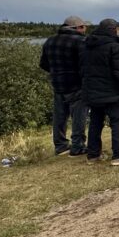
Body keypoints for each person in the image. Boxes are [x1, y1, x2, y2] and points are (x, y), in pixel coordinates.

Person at [81, 18, 119, 165]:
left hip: (93, 92)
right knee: (118, 122)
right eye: (118, 29)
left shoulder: (87, 47)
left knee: (95, 123)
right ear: (114, 30)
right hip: (112, 93)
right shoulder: (116, 48)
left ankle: (93, 154)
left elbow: (82, 70)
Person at [39, 15, 89, 156]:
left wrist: (56, 72)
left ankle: (60, 145)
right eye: (84, 27)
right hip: (77, 84)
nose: (85, 29)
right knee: (79, 116)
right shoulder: (81, 41)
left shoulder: (50, 41)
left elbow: (43, 64)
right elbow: (86, 64)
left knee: (60, 116)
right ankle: (77, 145)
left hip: (58, 83)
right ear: (77, 27)